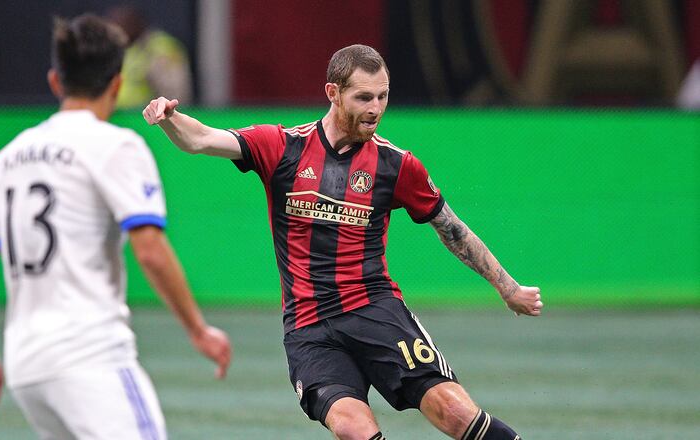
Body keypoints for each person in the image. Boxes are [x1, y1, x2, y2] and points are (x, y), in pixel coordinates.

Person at [143, 44, 542, 440]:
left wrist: (508, 288)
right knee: (352, 427)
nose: (376, 108)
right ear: (333, 93)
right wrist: (169, 118)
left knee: (453, 411)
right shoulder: (282, 147)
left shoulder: (396, 165)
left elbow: (451, 228)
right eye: (364, 97)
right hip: (308, 327)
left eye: (383, 96)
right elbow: (201, 139)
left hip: (374, 310)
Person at [0, 14, 231, 440]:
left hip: (26, 366)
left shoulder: (6, 159)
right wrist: (198, 330)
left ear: (55, 81)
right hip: (89, 356)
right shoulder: (116, 146)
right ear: (117, 84)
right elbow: (150, 252)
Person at [107, 5, 193, 109]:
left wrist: (164, 112)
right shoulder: (125, 48)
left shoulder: (161, 48)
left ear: (136, 24)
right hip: (120, 114)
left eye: (120, 25)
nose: (116, 30)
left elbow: (175, 93)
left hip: (147, 115)